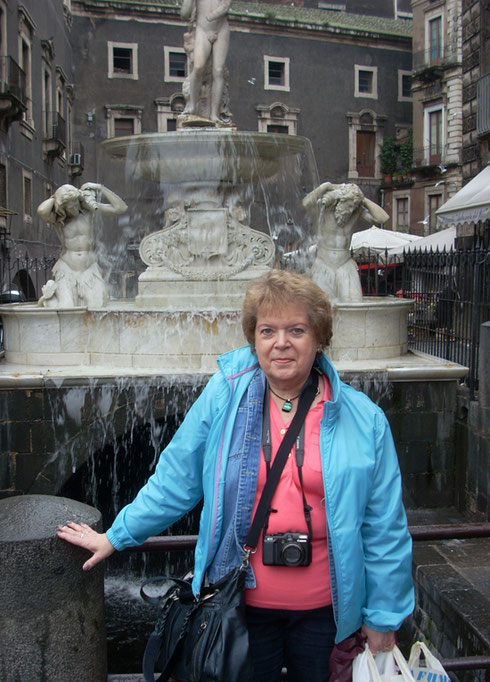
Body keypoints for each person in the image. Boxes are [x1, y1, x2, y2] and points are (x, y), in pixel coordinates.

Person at [58, 269, 414, 681]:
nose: (281, 342)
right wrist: (115, 536)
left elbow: (384, 527)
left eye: (296, 330)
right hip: (239, 608)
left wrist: (384, 618)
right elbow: (177, 476)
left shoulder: (364, 419)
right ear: (254, 338)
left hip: (328, 616)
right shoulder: (224, 395)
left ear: (319, 339)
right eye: (268, 331)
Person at [37, 183, 127, 308]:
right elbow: (41, 211)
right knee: (66, 307)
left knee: (98, 306)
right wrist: (57, 196)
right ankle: (48, 299)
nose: (73, 207)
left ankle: (51, 297)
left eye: (74, 203)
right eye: (68, 206)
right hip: (67, 267)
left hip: (89, 268)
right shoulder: (59, 220)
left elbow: (120, 208)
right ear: (62, 208)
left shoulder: (90, 212)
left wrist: (100, 188)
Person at [303, 182, 389, 303]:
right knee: (321, 306)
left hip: (345, 264)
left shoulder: (355, 212)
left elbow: (382, 218)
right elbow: (305, 203)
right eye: (348, 205)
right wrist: (325, 187)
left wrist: (362, 199)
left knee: (354, 303)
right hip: (323, 263)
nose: (350, 210)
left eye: (353, 207)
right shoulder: (324, 209)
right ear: (340, 201)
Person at [180, 0, 231, 121]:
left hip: (221, 29)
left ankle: (214, 114)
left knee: (218, 71)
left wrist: (211, 16)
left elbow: (226, 6)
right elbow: (184, 14)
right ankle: (192, 105)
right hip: (202, 30)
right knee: (198, 67)